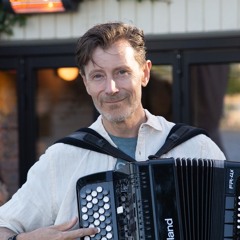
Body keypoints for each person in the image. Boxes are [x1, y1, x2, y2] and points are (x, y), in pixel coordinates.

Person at [0, 22, 225, 240]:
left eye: (122, 72)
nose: (111, 89)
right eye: (98, 76)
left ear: (145, 73)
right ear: (86, 82)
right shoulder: (61, 159)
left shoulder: (197, 147)